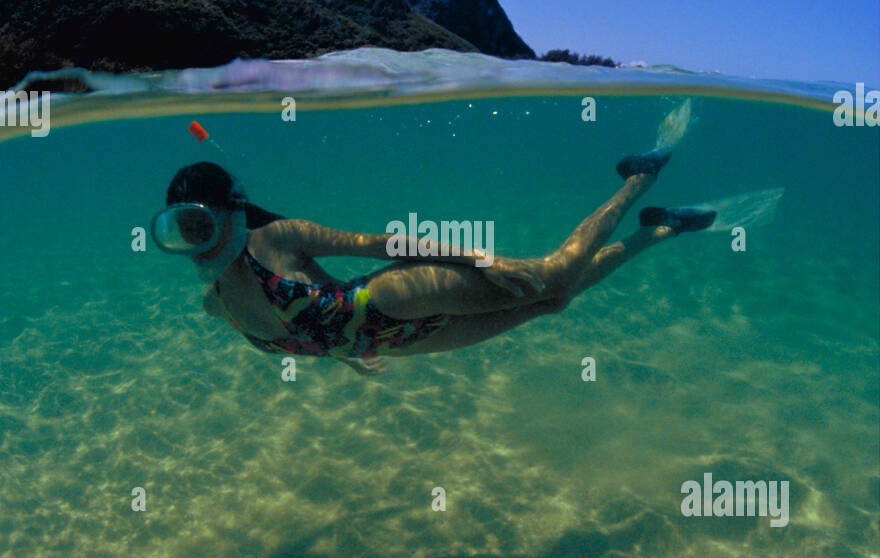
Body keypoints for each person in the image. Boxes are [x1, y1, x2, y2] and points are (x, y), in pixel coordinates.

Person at [150, 150, 719, 375]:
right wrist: (348, 357)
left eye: (201, 224)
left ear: (232, 212)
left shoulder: (277, 238)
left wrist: (481, 259)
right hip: (393, 343)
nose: (195, 243)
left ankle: (637, 182)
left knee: (554, 277)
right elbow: (309, 331)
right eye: (182, 231)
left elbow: (383, 245)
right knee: (556, 303)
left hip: (400, 296)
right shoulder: (217, 305)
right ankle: (657, 231)